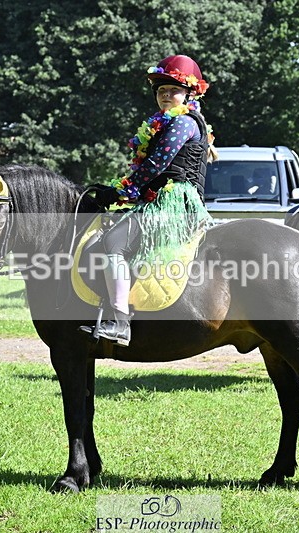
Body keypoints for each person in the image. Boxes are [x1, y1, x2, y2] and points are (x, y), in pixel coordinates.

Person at [88, 54, 215, 346]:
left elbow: (156, 165)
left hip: (173, 202)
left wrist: (120, 192)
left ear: (189, 93)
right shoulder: (172, 122)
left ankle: (120, 323)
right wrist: (118, 188)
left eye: (173, 89)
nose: (165, 95)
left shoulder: (183, 123)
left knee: (114, 244)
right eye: (160, 90)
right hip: (157, 198)